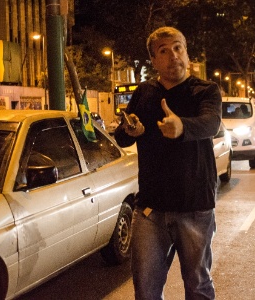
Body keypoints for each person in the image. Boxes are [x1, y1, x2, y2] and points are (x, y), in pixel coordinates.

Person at [114, 26, 222, 300]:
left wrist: (182, 126)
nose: (173, 55)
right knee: (146, 290)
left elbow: (211, 123)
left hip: (195, 206)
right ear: (154, 60)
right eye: (164, 51)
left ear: (186, 53)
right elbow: (123, 135)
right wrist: (131, 129)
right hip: (151, 209)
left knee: (198, 286)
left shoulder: (205, 90)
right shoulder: (144, 92)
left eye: (178, 47)